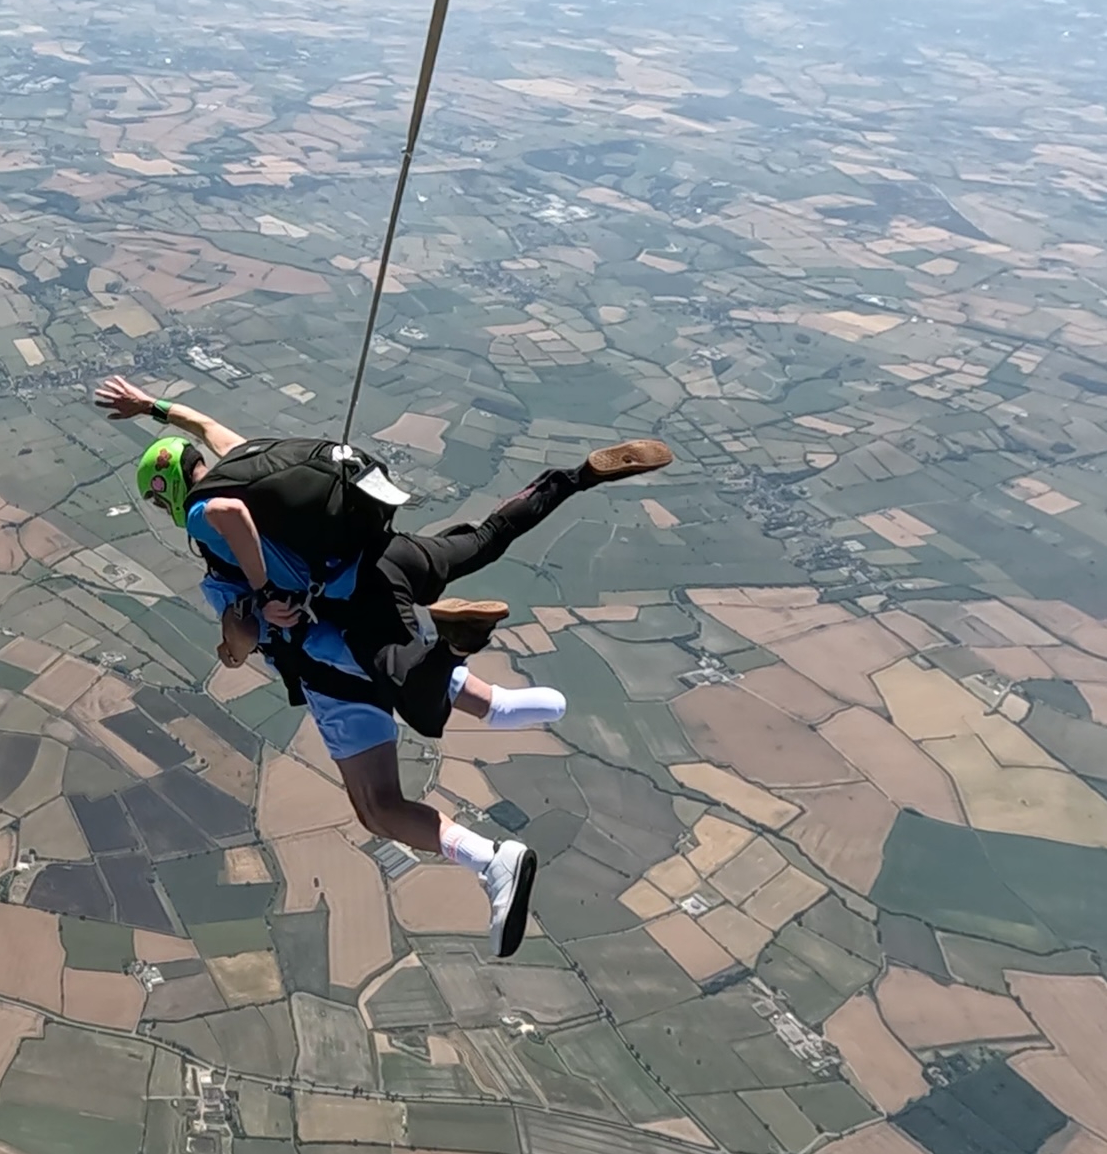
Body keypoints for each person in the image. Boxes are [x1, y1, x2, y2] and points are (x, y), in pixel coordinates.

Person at [94, 372, 673, 723]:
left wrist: (265, 589)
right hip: (391, 549)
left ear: (166, 489)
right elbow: (203, 424)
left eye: (157, 500)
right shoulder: (239, 457)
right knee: (487, 538)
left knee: (417, 699)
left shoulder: (205, 512)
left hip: (361, 591)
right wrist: (151, 407)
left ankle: (455, 640)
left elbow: (228, 515)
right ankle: (576, 478)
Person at [215, 594, 563, 956]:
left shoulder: (225, 567)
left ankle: (491, 860)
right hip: (375, 630)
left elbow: (245, 629)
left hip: (331, 673)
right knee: (413, 670)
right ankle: (500, 705)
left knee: (379, 807)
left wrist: (232, 652)